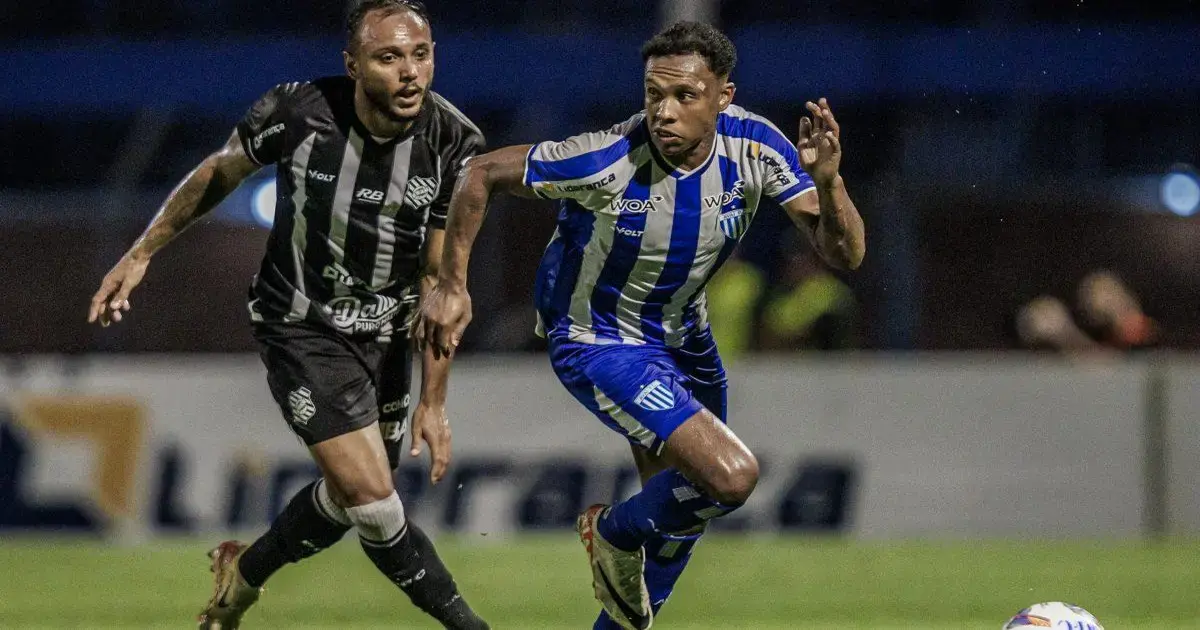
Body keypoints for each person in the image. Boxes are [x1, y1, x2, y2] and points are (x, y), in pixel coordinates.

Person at [422, 21, 865, 630]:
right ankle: (610, 529)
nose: (663, 111)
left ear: (723, 97)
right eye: (654, 94)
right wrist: (451, 285)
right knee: (730, 477)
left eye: (684, 95)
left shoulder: (756, 147)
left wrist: (829, 182)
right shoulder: (607, 158)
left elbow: (845, 256)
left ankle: (619, 556)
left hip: (685, 336)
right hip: (599, 340)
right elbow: (480, 174)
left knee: (684, 519)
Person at [86, 1, 489, 628]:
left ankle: (242, 576)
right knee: (375, 503)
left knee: (344, 502)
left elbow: (441, 286)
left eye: (421, 54)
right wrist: (142, 253)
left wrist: (433, 403)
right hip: (301, 324)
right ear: (353, 65)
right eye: (388, 58)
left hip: (385, 337)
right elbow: (219, 172)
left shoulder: (455, 144)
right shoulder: (298, 113)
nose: (410, 72)